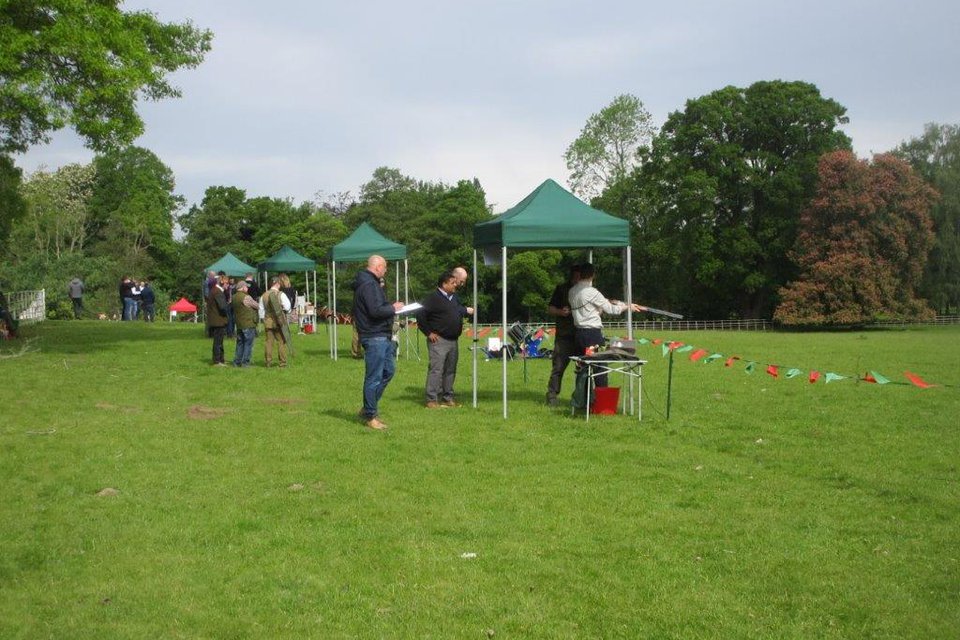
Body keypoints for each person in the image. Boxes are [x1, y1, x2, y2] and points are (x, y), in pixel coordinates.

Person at [568, 262, 644, 387]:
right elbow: (611, 309)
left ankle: (583, 402)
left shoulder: (572, 291)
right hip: (592, 335)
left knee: (583, 369)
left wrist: (620, 304)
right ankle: (600, 403)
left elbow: (595, 307)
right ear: (593, 275)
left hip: (579, 334)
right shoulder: (592, 292)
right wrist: (628, 307)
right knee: (600, 369)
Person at [352, 255, 404, 430]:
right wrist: (393, 308)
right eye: (385, 267)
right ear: (378, 267)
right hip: (374, 335)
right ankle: (370, 415)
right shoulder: (369, 284)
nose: (386, 270)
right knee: (373, 377)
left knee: (388, 371)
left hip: (381, 334)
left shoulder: (371, 283)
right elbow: (375, 311)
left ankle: (368, 407)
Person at [417, 270, 474, 408]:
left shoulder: (454, 297)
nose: (455, 285)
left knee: (450, 370)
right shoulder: (432, 298)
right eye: (452, 283)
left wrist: (465, 310)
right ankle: (431, 399)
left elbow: (456, 309)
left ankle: (447, 397)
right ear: (444, 284)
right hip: (439, 341)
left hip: (453, 340)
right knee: (436, 370)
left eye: (456, 282)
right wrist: (428, 332)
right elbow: (420, 314)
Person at [545, 264, 581, 406]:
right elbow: (550, 308)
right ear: (572, 275)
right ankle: (552, 394)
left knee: (583, 368)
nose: (579, 278)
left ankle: (582, 397)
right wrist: (561, 312)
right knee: (558, 366)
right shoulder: (561, 289)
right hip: (564, 335)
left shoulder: (587, 291)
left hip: (581, 334)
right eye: (577, 275)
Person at [259, 276, 291, 368]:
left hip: (268, 321)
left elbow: (261, 311)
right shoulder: (281, 294)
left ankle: (268, 362)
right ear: (277, 284)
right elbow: (288, 307)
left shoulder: (264, 295)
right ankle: (282, 362)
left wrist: (265, 320)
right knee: (281, 342)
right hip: (279, 321)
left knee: (269, 342)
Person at [231, 280, 260, 367]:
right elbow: (257, 306)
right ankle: (245, 362)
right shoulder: (246, 297)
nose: (247, 288)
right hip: (248, 323)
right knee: (248, 344)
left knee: (240, 343)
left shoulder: (234, 297)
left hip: (239, 324)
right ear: (242, 287)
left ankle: (237, 362)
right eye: (246, 287)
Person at [206, 271, 229, 366]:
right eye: (226, 283)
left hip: (216, 320)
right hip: (218, 320)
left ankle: (221, 359)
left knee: (219, 341)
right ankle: (217, 360)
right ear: (222, 282)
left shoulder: (214, 290)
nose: (227, 285)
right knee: (218, 341)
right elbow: (223, 307)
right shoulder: (218, 292)